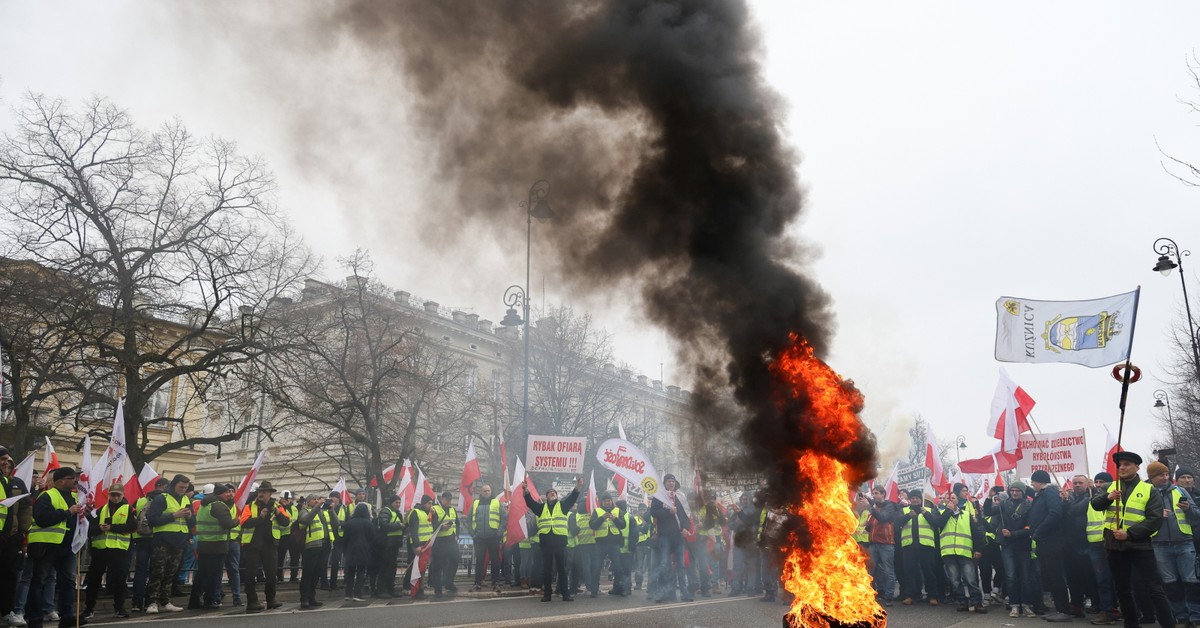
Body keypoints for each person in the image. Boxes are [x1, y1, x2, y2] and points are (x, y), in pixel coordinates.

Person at [1090, 451, 1175, 628]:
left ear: (1137, 467)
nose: (1122, 467)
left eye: (1127, 464)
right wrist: (1108, 497)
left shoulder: (1148, 489)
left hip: (1140, 546)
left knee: (1154, 588)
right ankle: (1131, 624)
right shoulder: (1110, 486)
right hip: (1115, 546)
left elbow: (1154, 519)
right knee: (1122, 590)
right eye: (1120, 464)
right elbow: (1095, 504)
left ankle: (1168, 624)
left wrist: (1130, 533)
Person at [25, 467, 82, 628]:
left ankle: (68, 616)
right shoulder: (47, 496)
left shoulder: (74, 497)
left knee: (69, 583)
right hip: (47, 546)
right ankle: (35, 619)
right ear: (61, 480)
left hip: (67, 547)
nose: (75, 481)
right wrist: (67, 512)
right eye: (72, 478)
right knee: (39, 582)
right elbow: (42, 518)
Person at [1146, 461, 1200, 627]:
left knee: (1191, 581)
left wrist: (1187, 509)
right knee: (1170, 583)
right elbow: (1139, 519)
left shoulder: (1180, 490)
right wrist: (1156, 515)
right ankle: (1181, 617)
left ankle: (1196, 616)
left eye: (1166, 474)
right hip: (1160, 544)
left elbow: (1196, 515)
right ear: (1152, 478)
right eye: (1160, 475)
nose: (1165, 477)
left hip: (1184, 542)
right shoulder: (1146, 494)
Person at [1026, 469, 1072, 622]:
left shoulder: (1050, 492)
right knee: (1050, 576)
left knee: (1055, 576)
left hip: (1052, 541)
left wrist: (1038, 531)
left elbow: (1054, 513)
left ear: (1040, 482)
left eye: (1033, 481)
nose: (1032, 484)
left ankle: (1064, 610)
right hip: (1044, 542)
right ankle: (1059, 608)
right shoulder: (1042, 495)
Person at [525, 479, 582, 602]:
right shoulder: (541, 508)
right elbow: (530, 503)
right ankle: (547, 594)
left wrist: (577, 487)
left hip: (560, 543)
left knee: (562, 569)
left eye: (554, 492)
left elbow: (572, 498)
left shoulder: (563, 506)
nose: (552, 493)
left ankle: (565, 594)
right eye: (550, 492)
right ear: (546, 497)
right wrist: (526, 492)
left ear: (556, 495)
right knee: (547, 570)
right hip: (546, 543)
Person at [144, 474, 194, 614]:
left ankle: (165, 601)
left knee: (171, 574)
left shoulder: (186, 499)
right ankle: (152, 602)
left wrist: (189, 517)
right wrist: (174, 515)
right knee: (157, 572)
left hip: (179, 541)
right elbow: (152, 520)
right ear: (174, 485)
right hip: (163, 541)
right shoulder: (162, 498)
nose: (183, 490)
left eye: (185, 487)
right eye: (181, 487)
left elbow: (192, 523)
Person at [930, 490, 987, 613]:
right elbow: (938, 524)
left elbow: (976, 533)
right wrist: (948, 511)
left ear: (958, 501)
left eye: (953, 498)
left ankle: (976, 602)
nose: (951, 500)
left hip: (964, 552)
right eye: (947, 498)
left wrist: (978, 549)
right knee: (955, 580)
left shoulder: (966, 515)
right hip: (948, 552)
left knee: (970, 579)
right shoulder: (941, 513)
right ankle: (962, 602)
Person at [239, 481, 287, 613]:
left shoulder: (277, 506)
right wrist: (260, 518)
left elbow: (286, 522)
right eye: (259, 491)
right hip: (252, 545)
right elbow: (243, 522)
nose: (261, 494)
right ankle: (252, 601)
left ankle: (271, 599)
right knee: (250, 575)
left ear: (270, 493)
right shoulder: (250, 506)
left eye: (264, 492)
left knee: (271, 574)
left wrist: (277, 512)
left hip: (270, 545)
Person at [188, 483, 236, 610]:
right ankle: (210, 600)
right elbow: (227, 524)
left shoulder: (205, 505)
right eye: (226, 492)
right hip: (217, 545)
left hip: (204, 544)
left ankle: (194, 600)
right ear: (220, 493)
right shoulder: (219, 505)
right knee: (214, 574)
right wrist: (237, 520)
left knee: (202, 574)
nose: (228, 495)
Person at [0, 447, 32, 626]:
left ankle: (7, 611)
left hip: (11, 537)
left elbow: (26, 508)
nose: (6, 463)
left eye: (8, 460)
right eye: (2, 459)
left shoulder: (17, 483)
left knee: (10, 575)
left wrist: (22, 532)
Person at [649, 474, 691, 604]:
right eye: (669, 481)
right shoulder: (659, 497)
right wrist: (668, 512)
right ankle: (662, 592)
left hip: (678, 537)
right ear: (665, 483)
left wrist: (685, 528)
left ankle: (684, 592)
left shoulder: (680, 497)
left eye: (673, 481)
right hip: (665, 537)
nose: (671, 483)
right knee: (664, 565)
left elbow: (685, 516)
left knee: (681, 565)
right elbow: (653, 512)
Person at [1063, 474, 1099, 618]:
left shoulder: (1092, 497)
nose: (1077, 485)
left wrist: (1094, 490)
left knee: (1090, 575)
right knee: (1072, 577)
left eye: (1080, 483)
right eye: (1075, 483)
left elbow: (1074, 511)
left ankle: (1095, 602)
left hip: (1087, 541)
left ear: (1086, 484)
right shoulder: (1068, 498)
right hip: (1070, 543)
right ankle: (1077, 604)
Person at [130, 477, 168, 612]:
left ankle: (136, 602)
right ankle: (150, 601)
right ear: (163, 487)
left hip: (140, 537)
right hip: (156, 537)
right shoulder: (164, 500)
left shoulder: (141, 500)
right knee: (155, 571)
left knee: (140, 570)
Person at [896, 489, 939, 606]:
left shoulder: (929, 510)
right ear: (909, 499)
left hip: (926, 546)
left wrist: (926, 513)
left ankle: (932, 596)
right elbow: (897, 522)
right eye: (913, 498)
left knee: (929, 572)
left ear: (921, 499)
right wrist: (908, 516)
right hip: (909, 546)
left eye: (917, 498)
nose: (915, 500)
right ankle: (911, 595)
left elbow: (936, 523)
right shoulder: (904, 510)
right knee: (910, 572)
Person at [1087, 472, 1119, 625]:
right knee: (1103, 581)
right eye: (1096, 481)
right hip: (1095, 545)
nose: (1099, 485)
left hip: (1111, 544)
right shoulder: (1093, 499)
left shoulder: (1116, 498)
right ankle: (1107, 610)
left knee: (1114, 580)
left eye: (1102, 482)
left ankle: (1112, 610)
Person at [862, 486, 898, 607]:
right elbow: (870, 526)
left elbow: (883, 518)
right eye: (873, 493)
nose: (874, 495)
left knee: (888, 571)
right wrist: (866, 524)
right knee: (871, 570)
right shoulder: (875, 508)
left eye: (876, 493)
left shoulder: (889, 506)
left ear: (883, 494)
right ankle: (872, 595)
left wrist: (871, 508)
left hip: (886, 544)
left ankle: (889, 597)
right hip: (873, 543)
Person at [296, 494, 332, 609]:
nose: (316, 501)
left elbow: (329, 524)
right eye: (314, 499)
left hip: (321, 546)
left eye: (317, 499)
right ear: (308, 501)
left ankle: (312, 597)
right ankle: (304, 598)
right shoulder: (304, 511)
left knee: (316, 574)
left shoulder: (320, 511)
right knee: (308, 573)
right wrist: (317, 507)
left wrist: (330, 510)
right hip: (310, 546)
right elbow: (304, 520)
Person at [470, 484, 505, 592]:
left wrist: (499, 533)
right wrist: (473, 534)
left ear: (491, 491)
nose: (486, 492)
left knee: (495, 560)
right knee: (480, 560)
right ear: (481, 492)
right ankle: (477, 582)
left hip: (493, 536)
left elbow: (504, 519)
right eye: (484, 491)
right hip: (479, 537)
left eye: (488, 490)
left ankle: (496, 582)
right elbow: (468, 519)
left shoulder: (496, 502)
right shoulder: (475, 503)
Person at [341, 503, 374, 601]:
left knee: (350, 572)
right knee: (361, 572)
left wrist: (345, 550)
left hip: (350, 550)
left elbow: (345, 538)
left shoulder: (349, 523)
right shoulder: (368, 523)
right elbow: (372, 538)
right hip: (364, 550)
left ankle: (348, 594)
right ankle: (357, 594)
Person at [430, 491, 460, 598]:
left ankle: (449, 582)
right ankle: (438, 588)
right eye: (447, 499)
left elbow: (457, 523)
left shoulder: (452, 509)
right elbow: (431, 523)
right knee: (438, 565)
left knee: (455, 560)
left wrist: (457, 535)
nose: (448, 502)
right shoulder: (435, 509)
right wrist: (441, 527)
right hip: (439, 540)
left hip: (451, 539)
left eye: (450, 500)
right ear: (442, 499)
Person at [378, 495, 408, 598]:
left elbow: (400, 528)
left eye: (399, 503)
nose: (398, 504)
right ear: (391, 503)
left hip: (394, 544)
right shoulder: (386, 511)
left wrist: (404, 526)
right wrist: (399, 525)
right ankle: (381, 590)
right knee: (385, 568)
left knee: (392, 568)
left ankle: (390, 589)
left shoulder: (397, 513)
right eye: (396, 502)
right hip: (386, 544)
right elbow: (384, 525)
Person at [405, 495, 433, 598]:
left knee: (422, 569)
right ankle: (416, 591)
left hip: (426, 545)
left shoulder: (428, 513)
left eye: (431, 503)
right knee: (418, 569)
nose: (431, 505)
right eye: (429, 503)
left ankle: (420, 589)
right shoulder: (415, 513)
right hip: (420, 545)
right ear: (424, 503)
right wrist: (416, 546)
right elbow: (413, 531)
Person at [568, 499, 595, 596]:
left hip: (580, 544)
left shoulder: (576, 516)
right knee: (592, 567)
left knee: (582, 567)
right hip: (593, 543)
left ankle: (585, 587)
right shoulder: (591, 514)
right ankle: (591, 587)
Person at [274, 491, 300, 583]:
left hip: (293, 536)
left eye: (288, 499)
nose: (286, 500)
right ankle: (280, 577)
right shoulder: (278, 508)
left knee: (295, 557)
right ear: (280, 498)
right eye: (284, 499)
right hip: (283, 535)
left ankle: (293, 577)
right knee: (281, 557)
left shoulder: (294, 508)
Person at [323, 491, 343, 591]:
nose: (333, 500)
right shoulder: (324, 508)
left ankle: (333, 583)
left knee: (336, 562)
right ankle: (324, 582)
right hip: (327, 538)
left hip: (338, 539)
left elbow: (338, 522)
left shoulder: (342, 508)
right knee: (324, 562)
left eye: (335, 498)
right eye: (331, 498)